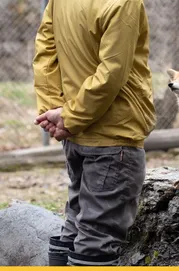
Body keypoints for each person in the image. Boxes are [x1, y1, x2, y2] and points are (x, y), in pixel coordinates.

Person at [32, 0, 156, 266]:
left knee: (76, 225)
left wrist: (57, 110)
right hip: (114, 136)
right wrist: (69, 116)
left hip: (76, 134)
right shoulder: (124, 3)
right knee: (97, 240)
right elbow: (111, 72)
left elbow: (45, 54)